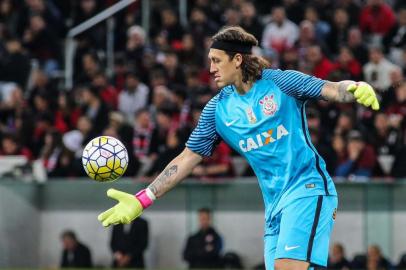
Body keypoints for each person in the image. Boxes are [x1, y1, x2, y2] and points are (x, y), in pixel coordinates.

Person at [97, 26, 380, 270]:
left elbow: (330, 89)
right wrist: (143, 198)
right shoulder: (217, 110)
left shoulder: (280, 82)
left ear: (237, 59)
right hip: (274, 207)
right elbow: (186, 158)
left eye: (217, 61)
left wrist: (353, 87)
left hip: (308, 189)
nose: (211, 69)